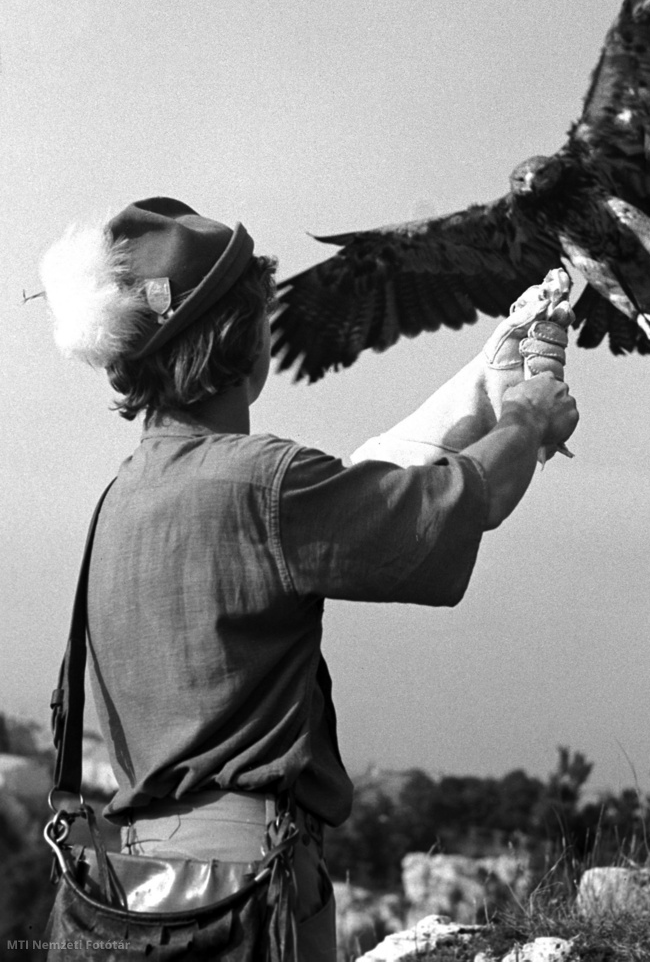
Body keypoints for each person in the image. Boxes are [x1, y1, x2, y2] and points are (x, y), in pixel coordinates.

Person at [39, 197, 579, 960]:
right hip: (241, 893)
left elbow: (368, 487)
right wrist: (527, 420)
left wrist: (481, 392)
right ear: (243, 339)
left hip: (136, 886)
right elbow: (457, 506)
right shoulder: (263, 485)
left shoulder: (124, 498)